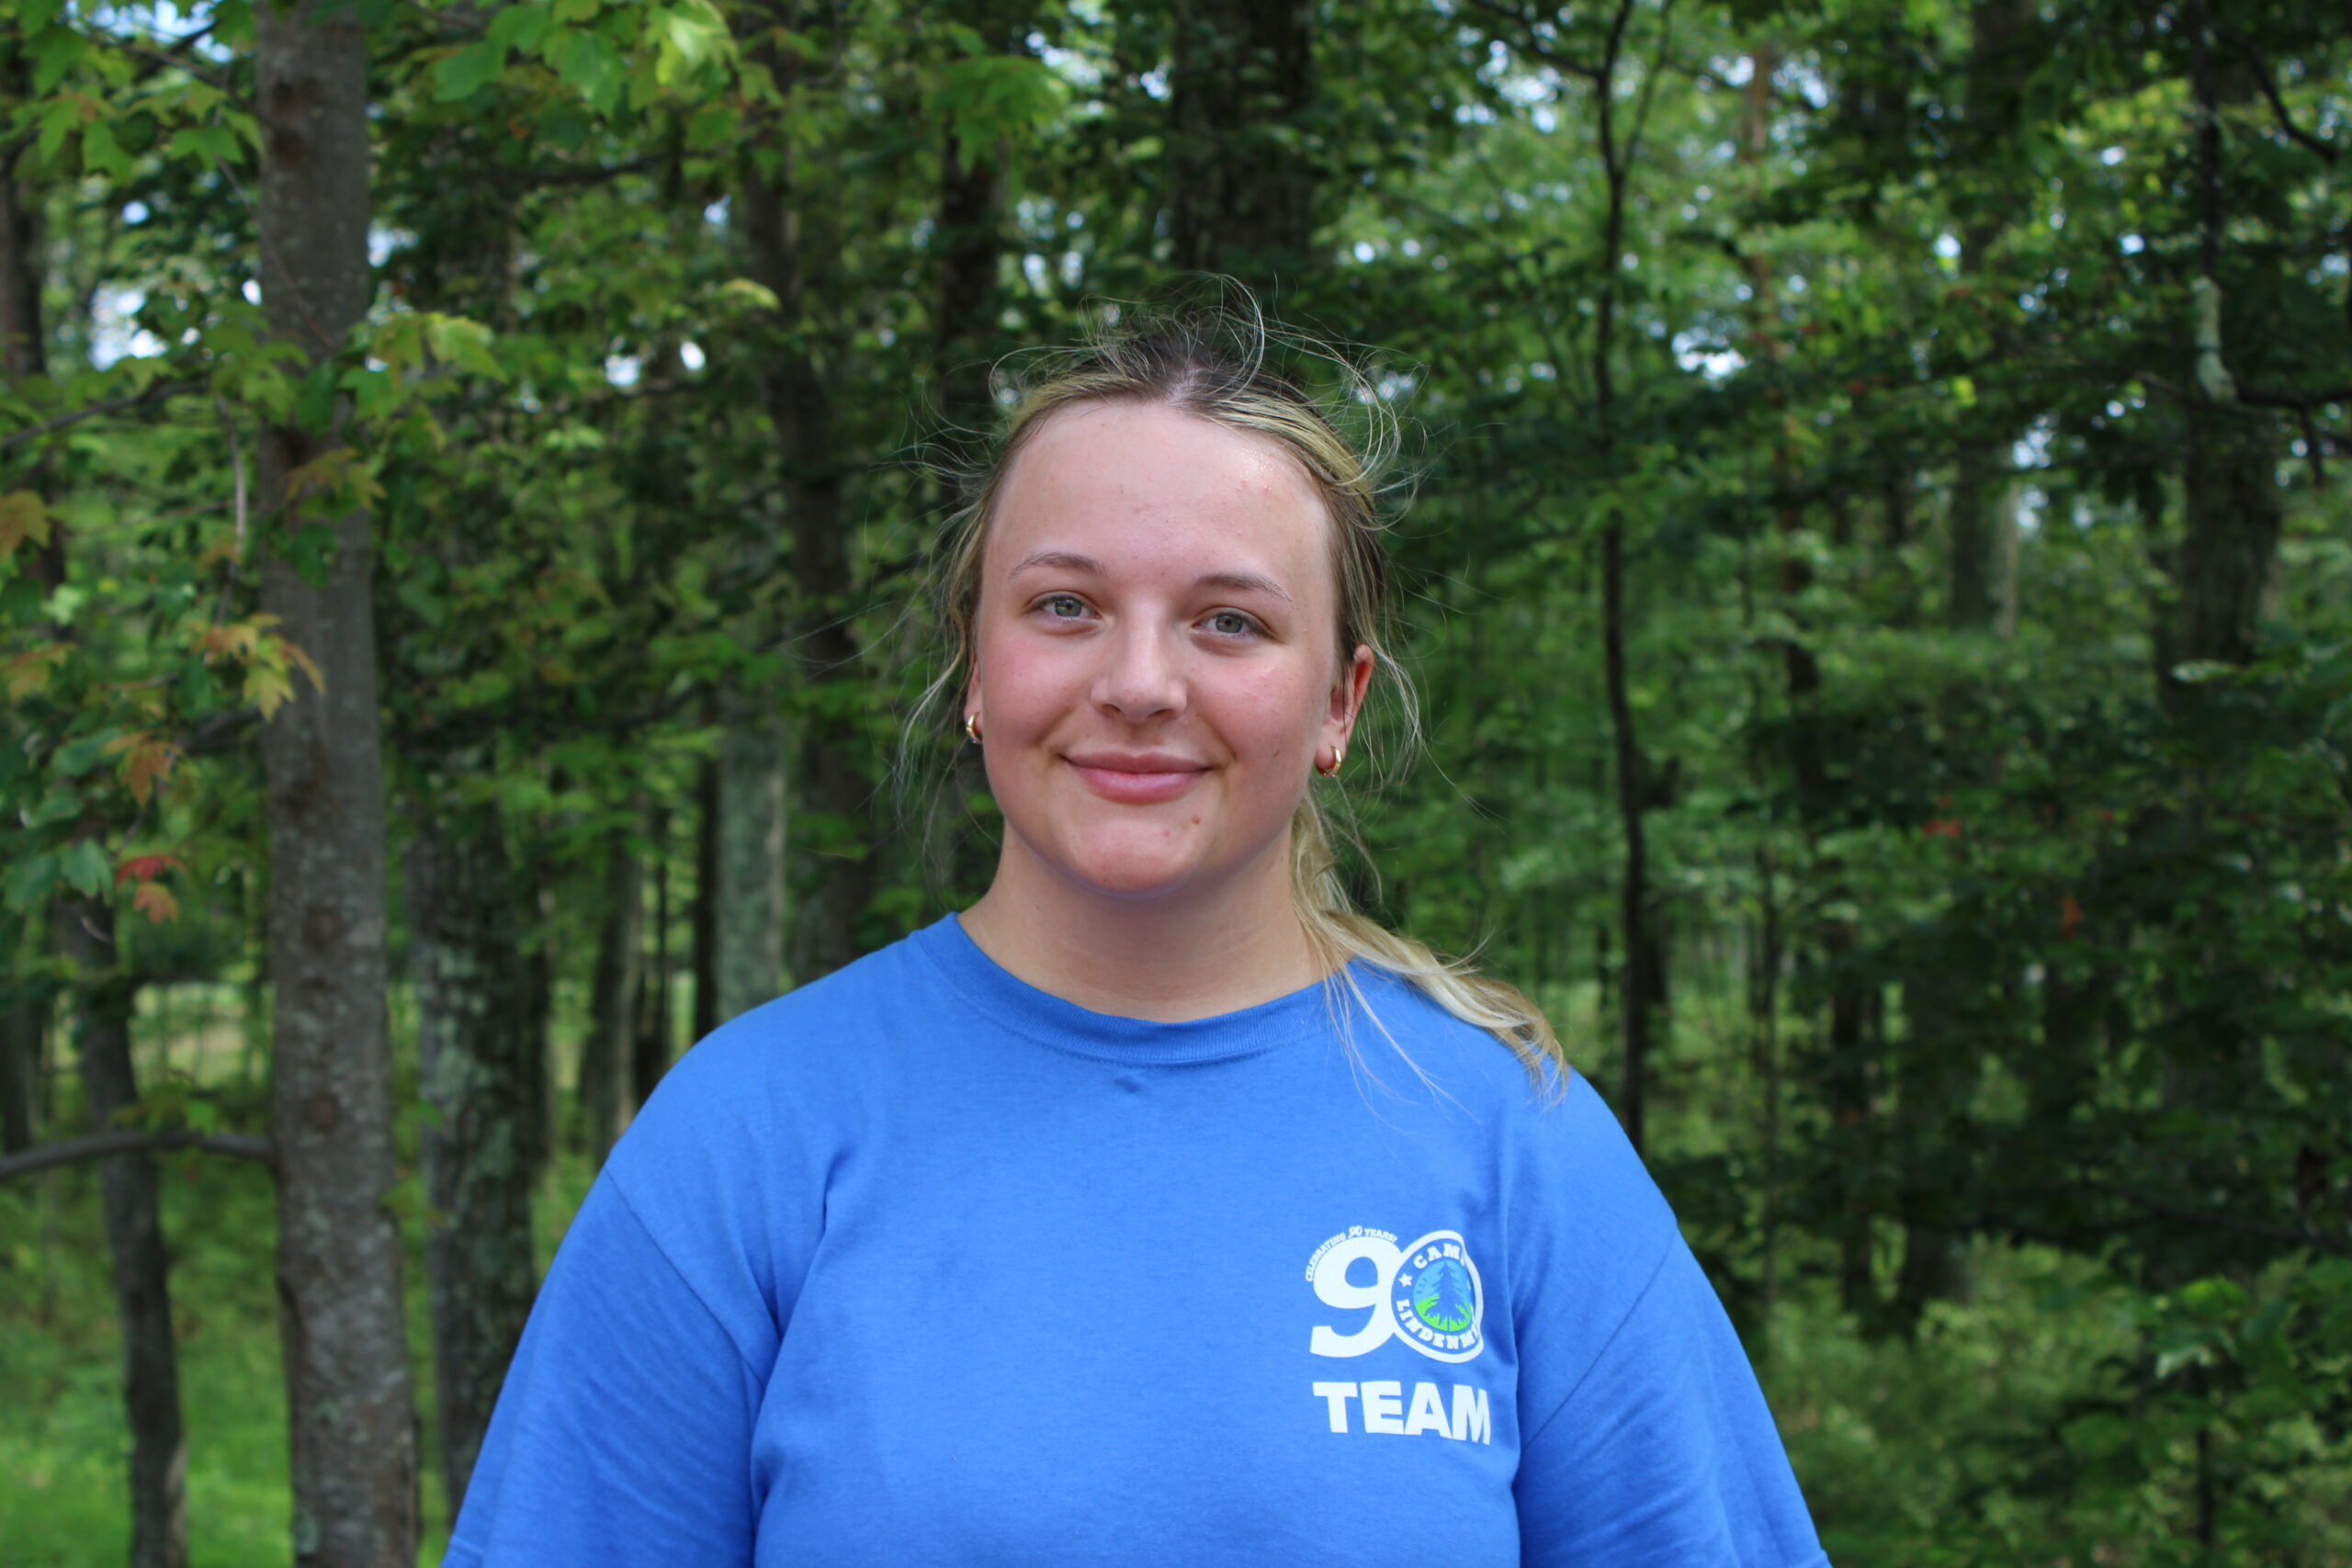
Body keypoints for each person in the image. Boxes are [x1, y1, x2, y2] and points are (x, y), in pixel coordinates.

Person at [445, 309, 1830, 1567]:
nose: (1141, 683)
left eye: (1229, 622)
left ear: (1339, 702)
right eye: (1066, 606)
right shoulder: (746, 1134)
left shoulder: (1511, 1144)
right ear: (975, 663)